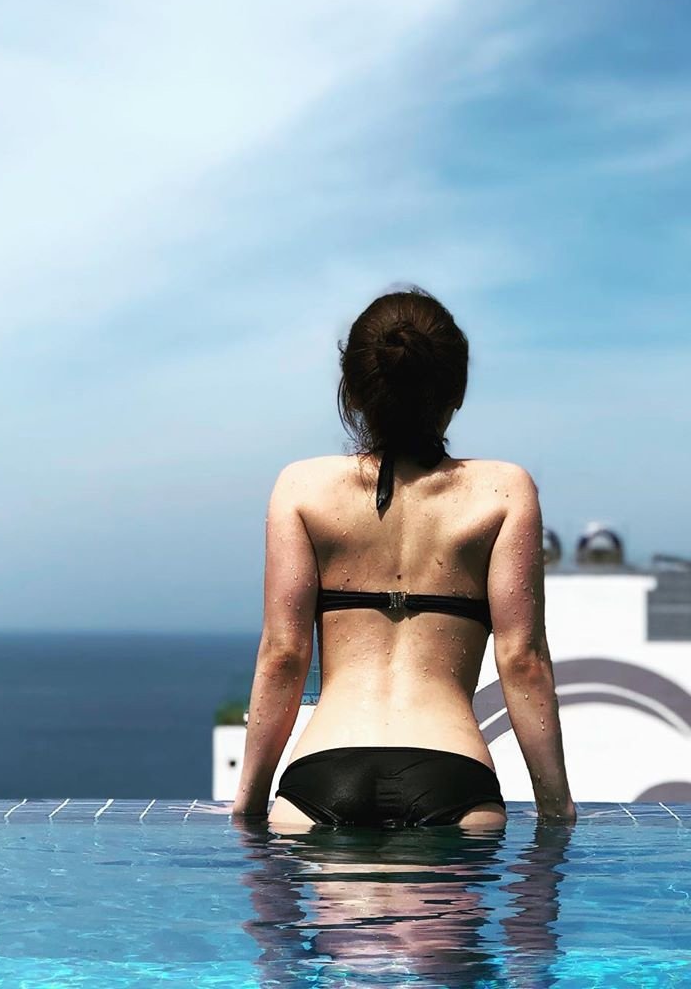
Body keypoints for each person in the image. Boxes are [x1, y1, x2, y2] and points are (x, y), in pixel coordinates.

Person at [231, 287, 575, 828]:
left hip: (323, 773)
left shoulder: (301, 488)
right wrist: (557, 809)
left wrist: (249, 806)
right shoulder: (504, 491)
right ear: (457, 389)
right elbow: (522, 660)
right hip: (452, 774)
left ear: (353, 391)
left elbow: (283, 655)